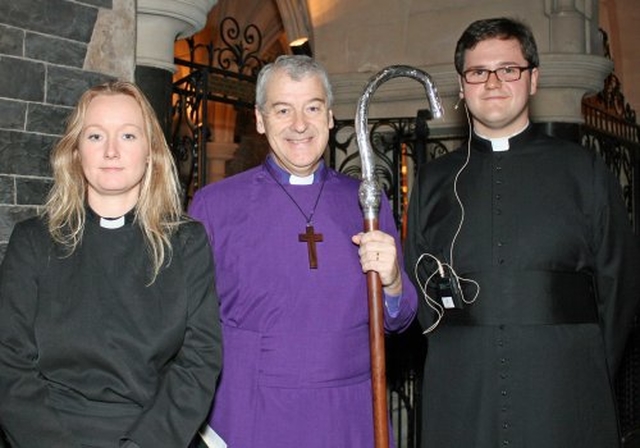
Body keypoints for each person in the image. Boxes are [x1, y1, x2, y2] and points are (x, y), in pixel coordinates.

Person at [405, 16, 640, 448]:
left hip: (563, 388)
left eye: (508, 69)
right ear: (462, 86)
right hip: (462, 391)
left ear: (533, 79)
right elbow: (420, 292)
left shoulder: (583, 171)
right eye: (478, 72)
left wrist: (584, 366)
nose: (493, 82)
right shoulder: (433, 181)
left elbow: (619, 283)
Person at [188, 54, 417, 447]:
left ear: (329, 116)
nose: (299, 125)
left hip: (349, 411)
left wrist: (393, 282)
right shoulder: (215, 205)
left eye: (312, 108)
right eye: (283, 110)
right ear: (261, 120)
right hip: (251, 414)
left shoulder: (365, 201)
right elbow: (189, 324)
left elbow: (398, 319)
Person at [0, 81, 223, 448]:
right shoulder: (33, 241)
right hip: (46, 434)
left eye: (129, 136)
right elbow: (9, 361)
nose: (112, 151)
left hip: (154, 433)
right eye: (95, 136)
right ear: (75, 151)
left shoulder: (186, 243)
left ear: (151, 151)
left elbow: (199, 361)